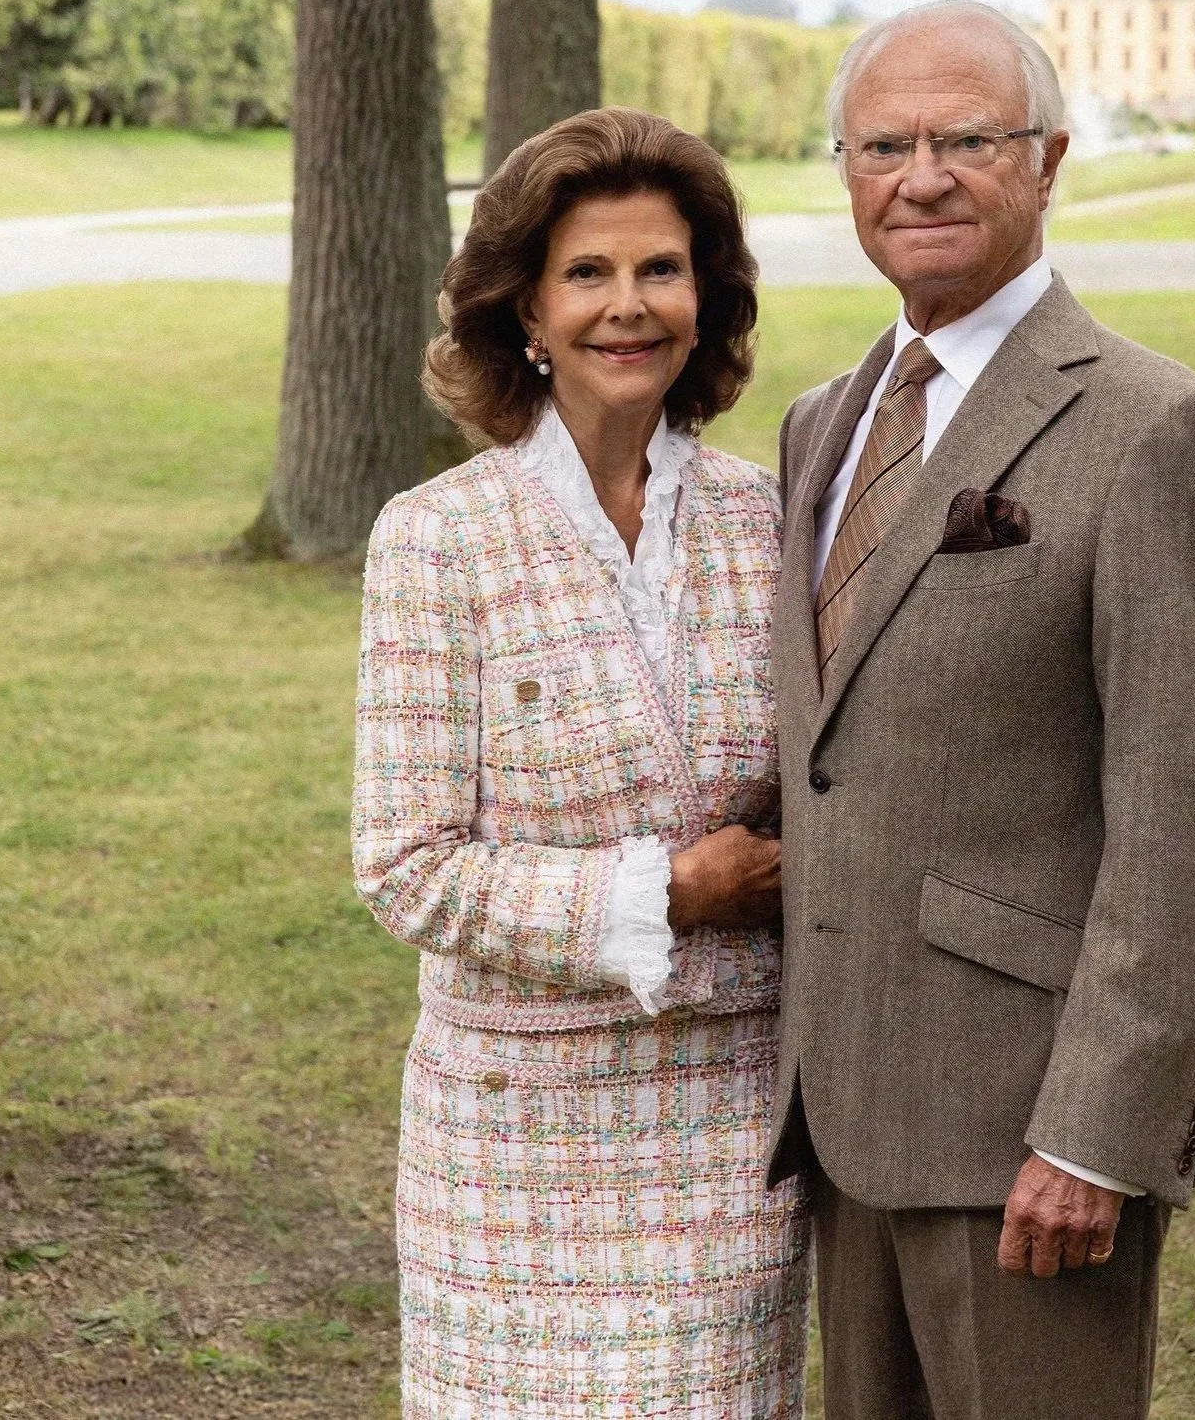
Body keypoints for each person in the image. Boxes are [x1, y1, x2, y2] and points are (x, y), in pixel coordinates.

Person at [767, 1, 1195, 1419]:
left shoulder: (1152, 427)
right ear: (846, 172)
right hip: (844, 1110)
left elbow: (1188, 822)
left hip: (1027, 1137)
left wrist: (1098, 1134)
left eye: (964, 139)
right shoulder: (823, 421)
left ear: (1045, 161)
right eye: (883, 143)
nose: (919, 174)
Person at [352, 108, 810, 1418]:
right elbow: (406, 872)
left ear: (704, 299)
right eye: (588, 274)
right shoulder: (437, 538)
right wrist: (670, 889)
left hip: (727, 1136)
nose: (629, 307)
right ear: (526, 313)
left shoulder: (769, 519)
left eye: (659, 270)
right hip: (511, 1146)